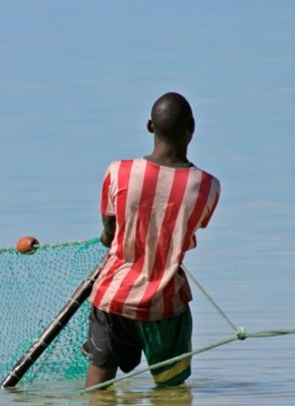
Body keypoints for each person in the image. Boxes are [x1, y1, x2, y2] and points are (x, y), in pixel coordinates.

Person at [83, 92, 220, 389]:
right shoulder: (208, 186)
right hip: (165, 305)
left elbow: (109, 233)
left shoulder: (118, 172)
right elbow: (189, 229)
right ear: (192, 127)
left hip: (112, 298)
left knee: (97, 389)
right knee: (171, 396)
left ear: (149, 126)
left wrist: (114, 237)